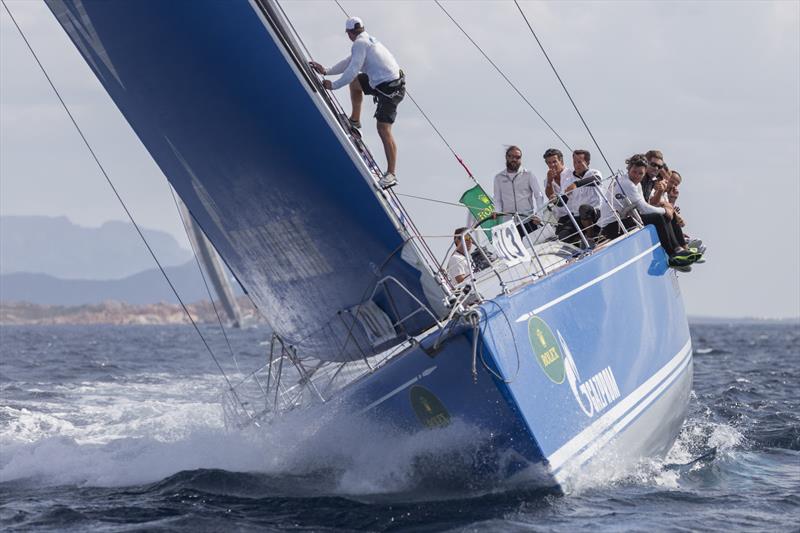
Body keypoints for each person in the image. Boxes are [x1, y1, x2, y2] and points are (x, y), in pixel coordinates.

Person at [309, 17, 405, 189]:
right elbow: (349, 62)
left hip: (390, 90)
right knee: (355, 84)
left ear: (350, 33)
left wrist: (334, 85)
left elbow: (353, 69)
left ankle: (391, 174)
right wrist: (327, 71)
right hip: (383, 83)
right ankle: (355, 120)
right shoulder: (365, 40)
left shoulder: (360, 43)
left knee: (383, 129)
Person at [598, 154, 700, 269]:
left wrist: (666, 211)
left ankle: (681, 248)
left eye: (640, 173)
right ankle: (673, 254)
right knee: (659, 217)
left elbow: (644, 206)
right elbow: (644, 208)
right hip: (611, 227)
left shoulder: (636, 185)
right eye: (634, 172)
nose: (637, 176)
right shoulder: (627, 183)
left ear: (645, 172)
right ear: (629, 169)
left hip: (624, 220)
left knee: (665, 215)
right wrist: (664, 210)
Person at [493, 146, 545, 237]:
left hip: (528, 220)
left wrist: (539, 215)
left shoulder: (529, 175)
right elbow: (497, 199)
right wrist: (497, 211)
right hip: (508, 223)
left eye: (517, 157)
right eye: (511, 156)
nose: (514, 159)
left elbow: (539, 196)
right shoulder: (498, 178)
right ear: (506, 157)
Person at [559, 149, 603, 245]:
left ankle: (591, 238)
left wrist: (576, 184)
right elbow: (561, 203)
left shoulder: (593, 173)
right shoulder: (568, 180)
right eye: (574, 162)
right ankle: (579, 245)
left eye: (579, 162)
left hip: (594, 213)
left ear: (587, 162)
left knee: (584, 208)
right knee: (562, 235)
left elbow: (597, 180)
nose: (576, 165)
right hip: (577, 217)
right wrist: (555, 200)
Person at [543, 148, 579, 243]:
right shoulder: (547, 180)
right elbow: (550, 197)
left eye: (554, 162)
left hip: (576, 213)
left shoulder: (572, 173)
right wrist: (550, 181)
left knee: (564, 236)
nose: (552, 165)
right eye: (549, 163)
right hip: (563, 217)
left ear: (561, 161)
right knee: (556, 240)